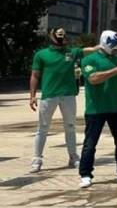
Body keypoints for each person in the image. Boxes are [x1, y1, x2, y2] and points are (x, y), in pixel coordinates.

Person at [29, 28, 100, 172]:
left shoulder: (71, 52)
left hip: (68, 95)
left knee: (70, 126)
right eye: (59, 36)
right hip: (49, 94)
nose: (62, 39)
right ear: (52, 37)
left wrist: (102, 46)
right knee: (42, 128)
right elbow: (35, 75)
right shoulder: (41, 55)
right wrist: (32, 95)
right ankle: (37, 159)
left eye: (63, 36)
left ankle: (73, 157)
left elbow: (88, 50)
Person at [78, 31, 117, 188]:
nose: (116, 52)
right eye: (113, 48)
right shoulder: (89, 59)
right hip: (96, 109)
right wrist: (116, 71)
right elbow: (93, 78)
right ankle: (85, 174)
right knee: (90, 143)